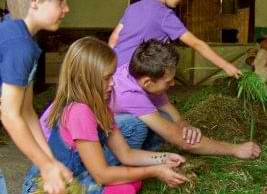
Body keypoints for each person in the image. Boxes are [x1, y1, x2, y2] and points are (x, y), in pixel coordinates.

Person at [22, 37, 189, 194]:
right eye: (107, 78)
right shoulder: (79, 111)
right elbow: (101, 174)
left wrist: (164, 158)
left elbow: (126, 154)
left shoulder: (100, 107)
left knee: (131, 182)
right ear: (85, 78)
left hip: (78, 178)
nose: (113, 82)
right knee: (126, 185)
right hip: (51, 187)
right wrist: (154, 171)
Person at [106, 39, 261, 165]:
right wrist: (235, 149)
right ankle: (118, 165)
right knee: (135, 124)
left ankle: (146, 155)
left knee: (166, 119)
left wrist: (186, 126)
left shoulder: (137, 71)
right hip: (97, 143)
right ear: (148, 82)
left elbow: (171, 111)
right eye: (168, 82)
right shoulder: (130, 94)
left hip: (110, 128)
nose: (173, 84)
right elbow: (183, 142)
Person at [0, 0, 72, 193]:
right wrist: (46, 166)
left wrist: (50, 161)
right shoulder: (18, 44)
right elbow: (9, 114)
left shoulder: (23, 39)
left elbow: (26, 111)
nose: (67, 8)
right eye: (60, 0)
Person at [108, 0, 241, 79]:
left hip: (114, 70)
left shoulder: (133, 7)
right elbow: (196, 43)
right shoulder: (165, 15)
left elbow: (114, 39)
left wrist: (110, 67)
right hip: (134, 75)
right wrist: (226, 66)